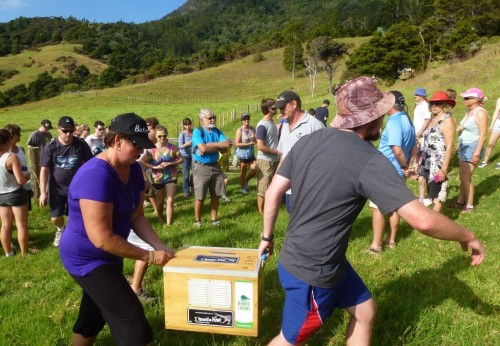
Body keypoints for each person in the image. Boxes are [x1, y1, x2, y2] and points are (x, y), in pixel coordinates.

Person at [257, 76, 484, 346]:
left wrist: (267, 238)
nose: (384, 118)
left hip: (309, 258)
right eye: (380, 112)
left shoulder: (309, 140)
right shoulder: (368, 159)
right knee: (289, 340)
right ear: (371, 118)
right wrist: (467, 235)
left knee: (365, 310)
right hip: (314, 272)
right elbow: (422, 220)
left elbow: (273, 192)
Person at [59, 112, 175, 346]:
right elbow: (101, 238)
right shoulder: (95, 176)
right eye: (136, 144)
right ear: (118, 140)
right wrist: (149, 256)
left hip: (110, 255)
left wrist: (160, 246)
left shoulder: (132, 168)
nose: (141, 151)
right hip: (87, 259)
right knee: (131, 317)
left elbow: (137, 215)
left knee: (92, 315)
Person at [368, 90, 417, 254]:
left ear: (390, 104)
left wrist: (404, 166)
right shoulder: (407, 120)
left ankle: (376, 246)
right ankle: (391, 240)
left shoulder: (394, 122)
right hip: (398, 170)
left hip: (387, 169)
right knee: (394, 206)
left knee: (377, 207)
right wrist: (408, 165)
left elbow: (396, 150)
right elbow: (414, 147)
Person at [39, 116, 93, 246]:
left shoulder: (80, 144)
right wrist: (42, 192)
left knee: (76, 216)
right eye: (65, 131)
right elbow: (44, 170)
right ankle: (60, 230)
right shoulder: (51, 146)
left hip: (77, 188)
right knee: (55, 218)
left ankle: (76, 237)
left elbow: (90, 164)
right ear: (58, 129)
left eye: (71, 130)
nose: (68, 134)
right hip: (56, 189)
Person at [274, 90, 324, 213]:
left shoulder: (314, 125)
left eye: (283, 107)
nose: (281, 111)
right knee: (293, 221)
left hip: (309, 188)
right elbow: (283, 155)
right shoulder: (285, 125)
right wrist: (276, 179)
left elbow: (324, 159)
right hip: (289, 188)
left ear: (294, 104)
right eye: (279, 108)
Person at [418, 91, 456, 213]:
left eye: (438, 103)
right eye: (432, 103)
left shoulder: (447, 120)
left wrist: (444, 169)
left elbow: (450, 146)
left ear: (444, 104)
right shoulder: (433, 119)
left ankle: (437, 225)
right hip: (427, 160)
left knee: (437, 195)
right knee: (431, 192)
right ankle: (437, 220)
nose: (434, 106)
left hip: (438, 164)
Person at [191, 109, 231, 226]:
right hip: (201, 167)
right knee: (200, 196)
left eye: (214, 117)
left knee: (216, 195)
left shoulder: (217, 131)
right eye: (210, 118)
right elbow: (203, 149)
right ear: (202, 120)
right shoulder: (197, 132)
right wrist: (217, 146)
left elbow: (226, 147)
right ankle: (197, 220)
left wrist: (210, 145)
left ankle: (214, 219)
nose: (213, 120)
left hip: (216, 166)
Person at [451, 88, 488, 212]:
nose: (464, 100)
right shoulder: (469, 111)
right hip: (464, 146)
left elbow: (483, 134)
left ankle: (470, 205)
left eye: (467, 98)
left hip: (472, 147)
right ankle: (460, 201)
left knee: (466, 177)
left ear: (476, 100)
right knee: (462, 176)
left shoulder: (480, 113)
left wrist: (477, 153)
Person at [140, 125, 183, 225]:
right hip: (157, 178)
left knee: (170, 200)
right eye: (159, 136)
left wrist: (170, 163)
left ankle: (169, 223)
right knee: (160, 201)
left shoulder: (172, 148)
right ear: (155, 136)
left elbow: (181, 159)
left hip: (171, 176)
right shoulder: (151, 149)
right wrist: (154, 167)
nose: (162, 138)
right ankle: (160, 218)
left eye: (164, 135)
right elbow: (143, 161)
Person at [0, 129, 29, 257]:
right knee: (21, 225)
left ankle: (8, 252)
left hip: (1, 195)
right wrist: (28, 176)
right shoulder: (11, 157)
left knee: (5, 226)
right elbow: (21, 180)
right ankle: (25, 253)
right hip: (15, 193)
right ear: (8, 141)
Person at [255, 98, 281, 214]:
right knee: (263, 186)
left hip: (274, 159)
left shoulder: (272, 123)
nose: (278, 107)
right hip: (265, 161)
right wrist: (275, 152)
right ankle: (260, 211)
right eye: (275, 106)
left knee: (271, 185)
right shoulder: (262, 125)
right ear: (270, 109)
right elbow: (260, 146)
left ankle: (269, 207)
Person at [5, 124, 33, 211]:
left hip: (24, 186)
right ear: (12, 136)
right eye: (18, 134)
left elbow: (23, 166)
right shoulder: (5, 153)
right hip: (12, 188)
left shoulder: (21, 149)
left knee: (24, 214)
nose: (20, 135)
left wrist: (29, 187)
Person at [235, 113, 257, 194]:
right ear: (242, 121)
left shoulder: (252, 128)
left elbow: (256, 140)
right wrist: (248, 144)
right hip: (242, 154)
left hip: (251, 154)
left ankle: (246, 181)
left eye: (248, 118)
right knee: (243, 171)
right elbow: (237, 144)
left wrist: (255, 140)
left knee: (255, 169)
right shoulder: (240, 130)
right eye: (244, 119)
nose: (246, 120)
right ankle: (242, 188)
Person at [479, 97, 500, 168]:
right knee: (490, 144)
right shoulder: (499, 99)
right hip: (498, 124)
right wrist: (492, 124)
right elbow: (496, 112)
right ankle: (485, 161)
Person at [178, 117, 194, 197]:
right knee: (186, 174)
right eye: (186, 124)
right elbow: (180, 146)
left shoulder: (194, 132)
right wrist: (187, 144)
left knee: (194, 172)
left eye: (189, 124)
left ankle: (192, 186)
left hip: (193, 155)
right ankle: (186, 190)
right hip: (184, 156)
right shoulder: (182, 134)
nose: (188, 126)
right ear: (184, 126)